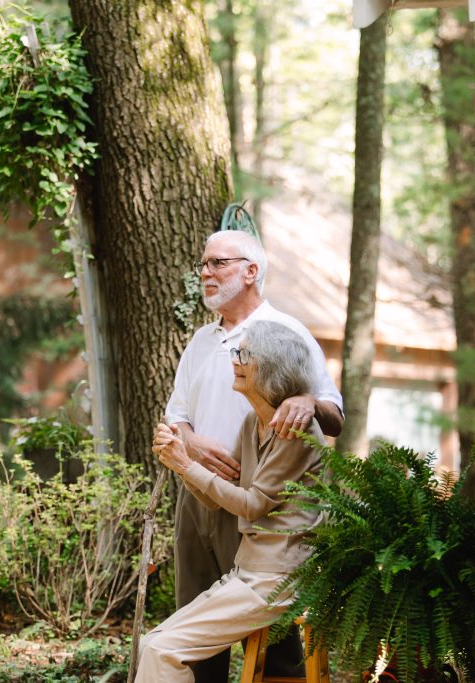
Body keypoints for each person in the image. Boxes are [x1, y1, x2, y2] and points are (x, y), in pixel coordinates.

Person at [164, 229, 343, 681]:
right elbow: (176, 417)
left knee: (271, 636)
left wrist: (308, 402)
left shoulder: (285, 331)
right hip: (197, 497)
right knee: (195, 622)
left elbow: (334, 413)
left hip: (257, 504)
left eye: (217, 263)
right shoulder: (201, 341)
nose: (205, 272)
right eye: (203, 263)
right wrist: (189, 442)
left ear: (251, 270)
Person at [138, 321, 326, 682]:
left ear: (271, 368)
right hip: (248, 572)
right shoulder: (251, 424)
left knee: (164, 651)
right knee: (152, 644)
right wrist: (177, 463)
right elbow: (221, 494)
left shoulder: (295, 432)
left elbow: (253, 504)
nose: (235, 361)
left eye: (244, 354)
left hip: (275, 578)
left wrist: (187, 464)